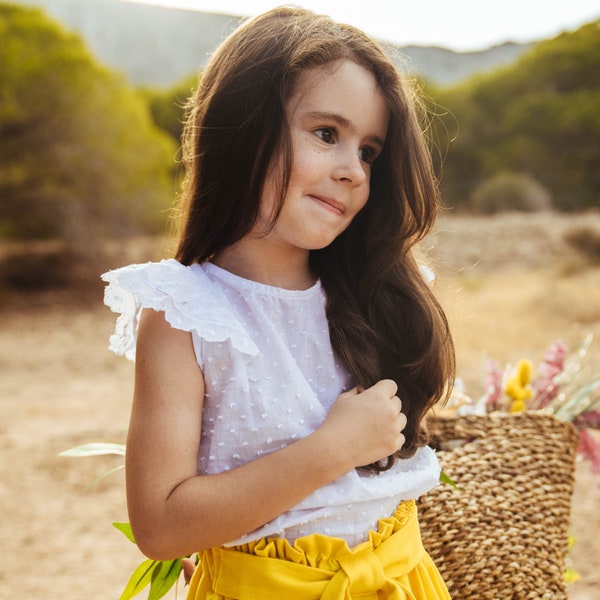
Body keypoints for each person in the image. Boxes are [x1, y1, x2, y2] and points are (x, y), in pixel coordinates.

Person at [102, 6, 455, 599]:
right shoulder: (187, 312)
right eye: (326, 134)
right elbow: (161, 525)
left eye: (369, 151)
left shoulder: (372, 291)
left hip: (403, 581)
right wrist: (332, 450)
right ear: (244, 128)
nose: (353, 172)